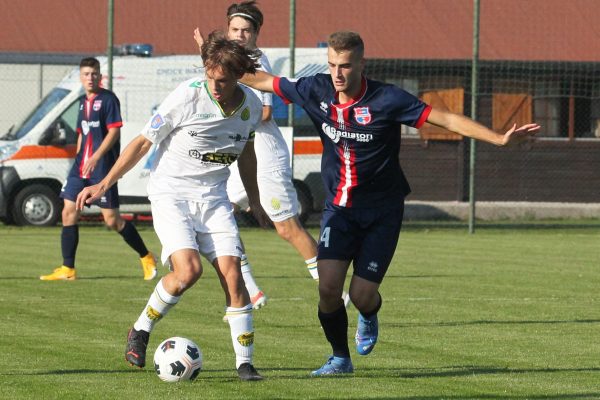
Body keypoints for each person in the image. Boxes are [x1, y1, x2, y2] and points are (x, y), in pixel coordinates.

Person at [238, 31, 541, 376]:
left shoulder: (388, 99)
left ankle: (369, 313)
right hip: (339, 209)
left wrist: (498, 138)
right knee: (328, 288)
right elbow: (261, 79)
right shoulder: (314, 90)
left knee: (362, 295)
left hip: (382, 212)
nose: (338, 73)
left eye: (346, 66)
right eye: (333, 65)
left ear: (361, 64)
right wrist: (215, 63)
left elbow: (448, 119)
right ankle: (340, 359)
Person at [75, 32, 267, 381]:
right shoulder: (187, 95)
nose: (215, 85)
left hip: (214, 199)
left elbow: (248, 155)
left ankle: (245, 364)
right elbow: (143, 142)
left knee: (234, 277)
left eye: (223, 80)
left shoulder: (251, 106)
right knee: (188, 271)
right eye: (211, 77)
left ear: (239, 76)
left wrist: (254, 199)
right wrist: (104, 183)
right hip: (172, 194)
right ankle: (141, 329)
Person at [194, 1, 349, 315]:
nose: (239, 35)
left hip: (263, 150)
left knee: (287, 228)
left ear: (255, 34)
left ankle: (337, 295)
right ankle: (251, 291)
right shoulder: (227, 58)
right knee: (212, 218)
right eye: (234, 29)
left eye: (246, 30)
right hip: (239, 148)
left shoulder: (255, 60)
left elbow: (264, 112)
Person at [40, 57, 157, 282]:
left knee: (112, 220)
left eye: (94, 74)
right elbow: (83, 133)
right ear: (81, 78)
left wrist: (95, 156)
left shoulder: (108, 99)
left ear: (100, 76)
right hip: (81, 168)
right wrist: (81, 157)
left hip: (102, 168)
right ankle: (68, 269)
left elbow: (113, 133)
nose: (90, 78)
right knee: (68, 212)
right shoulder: (83, 102)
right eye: (86, 74)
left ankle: (146, 256)